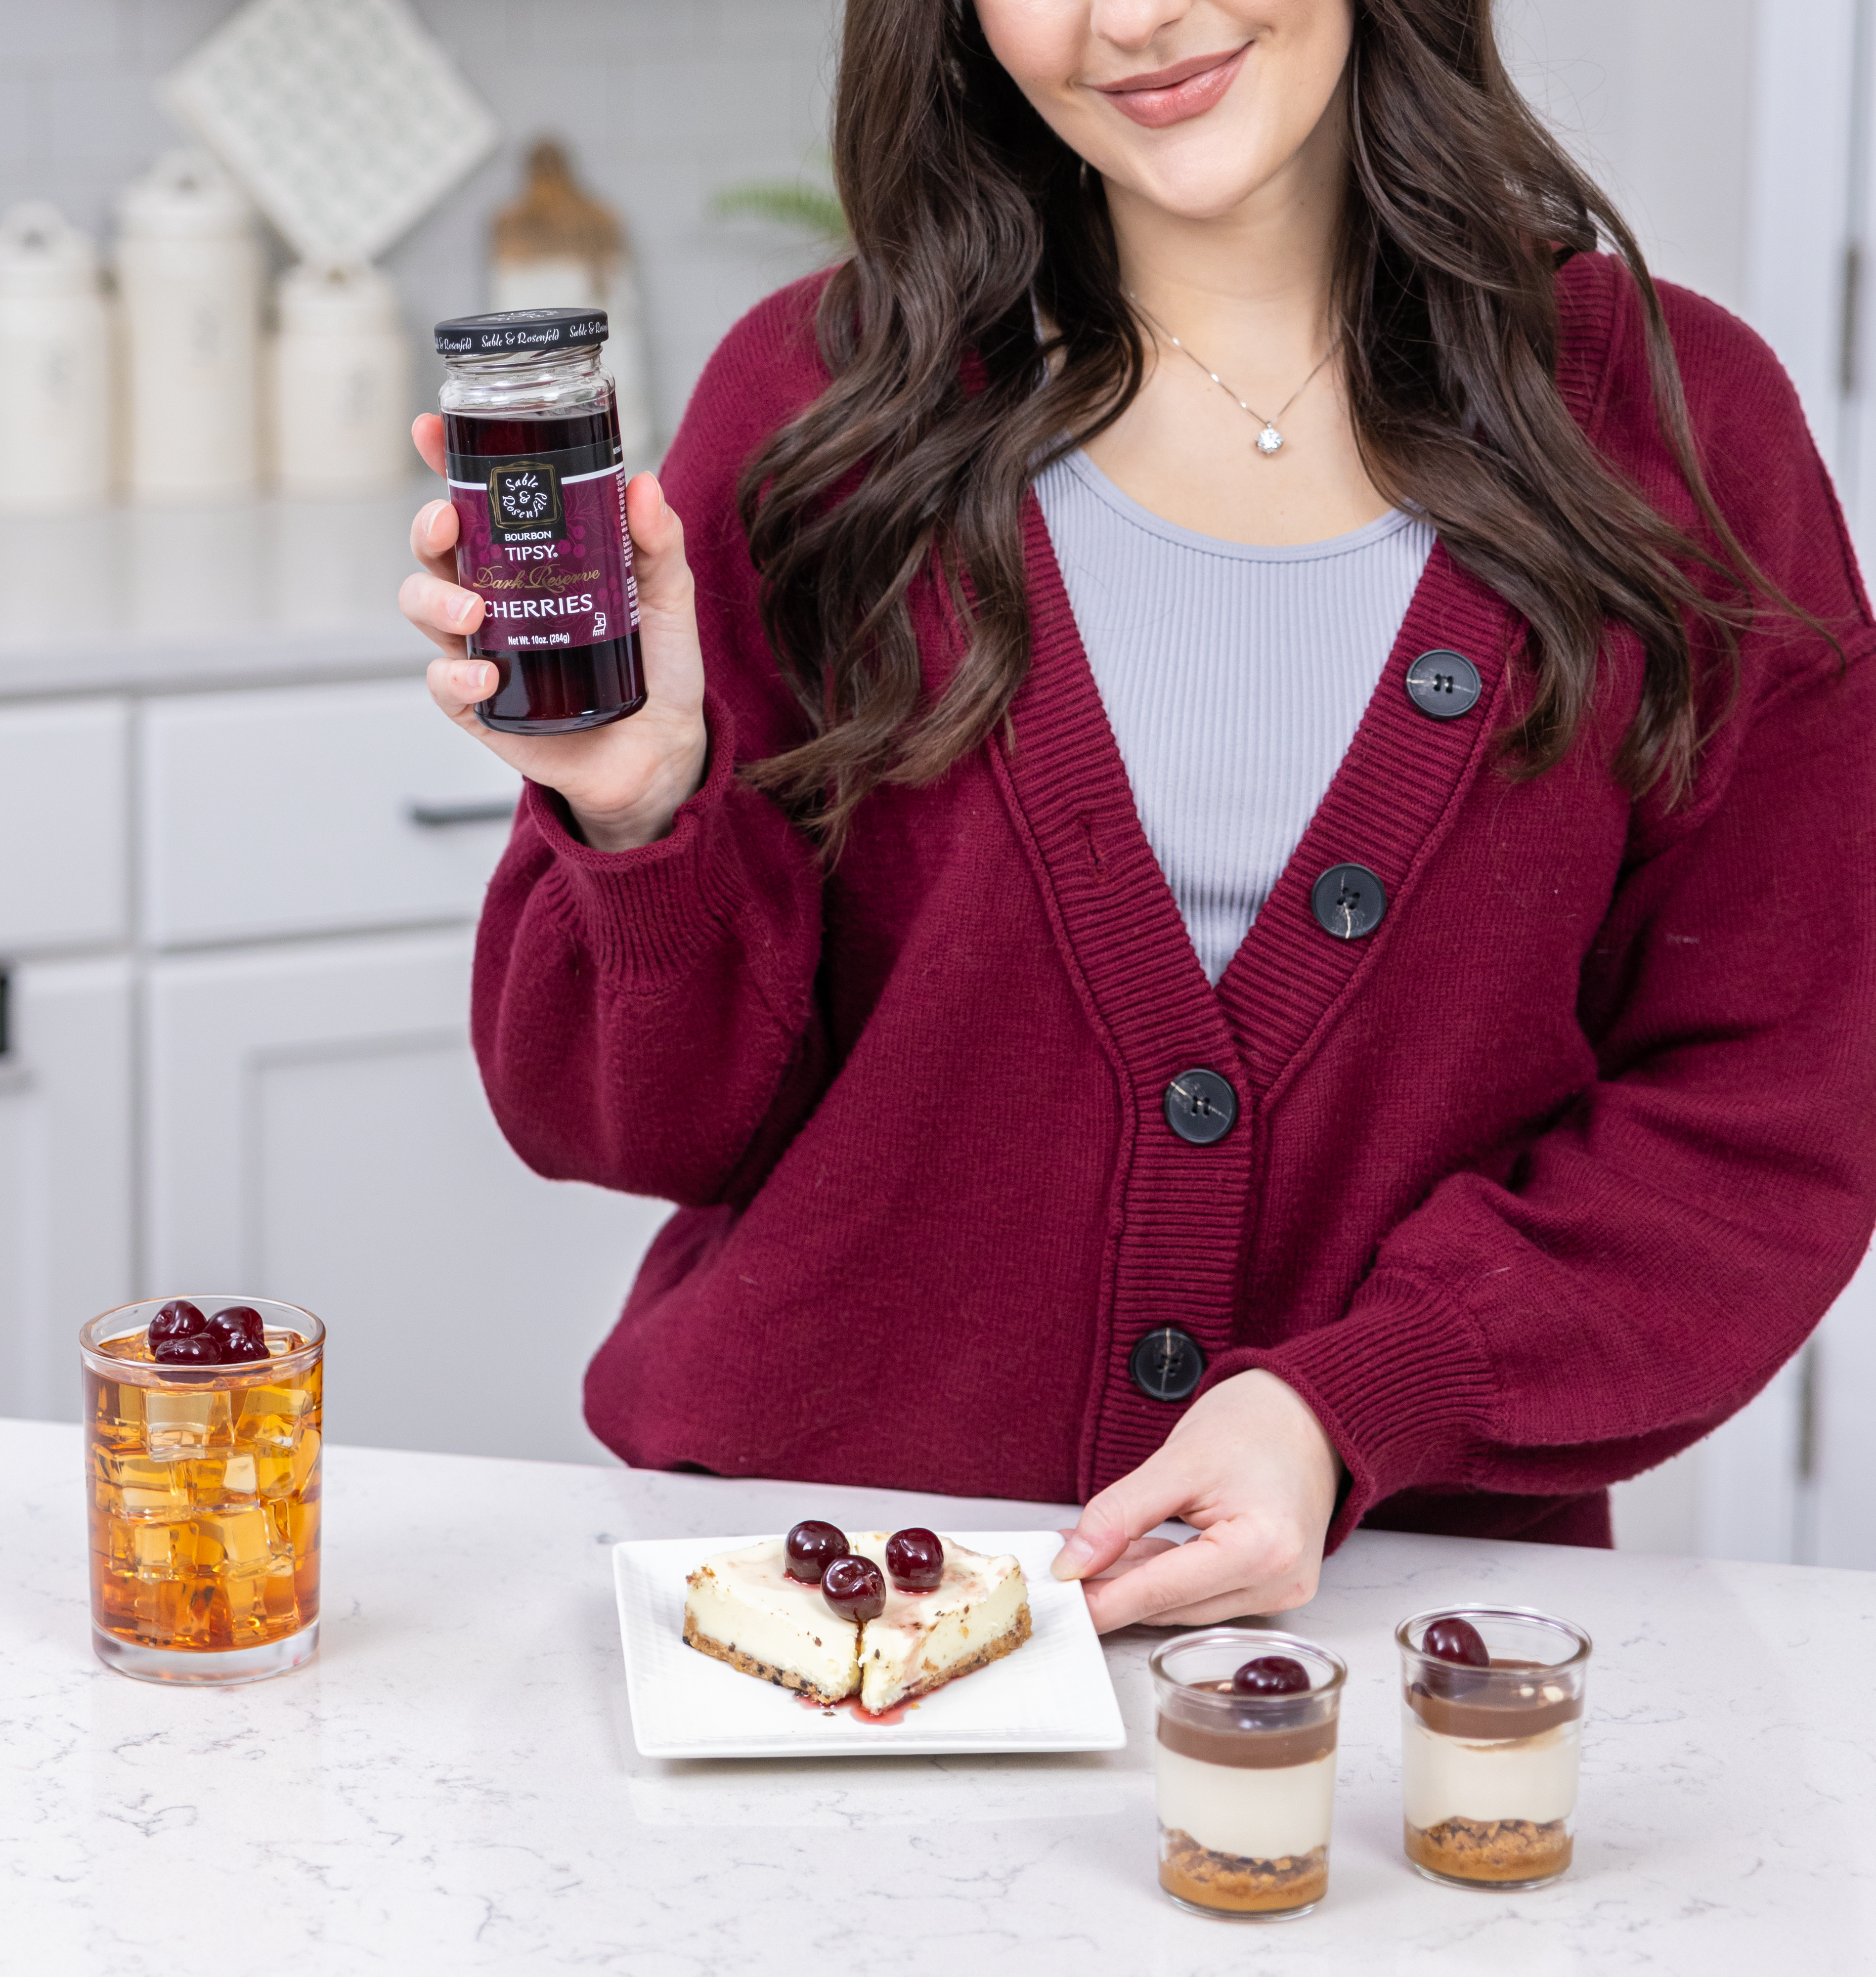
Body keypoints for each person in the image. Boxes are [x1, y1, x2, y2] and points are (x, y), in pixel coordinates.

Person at [399, 0, 1876, 1633]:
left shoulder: (1673, 427)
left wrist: (1348, 1406)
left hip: (1381, 1637)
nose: (1136, 18)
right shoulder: (825, 409)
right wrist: (636, 810)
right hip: (815, 1602)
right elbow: (623, 1131)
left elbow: (1776, 1102)